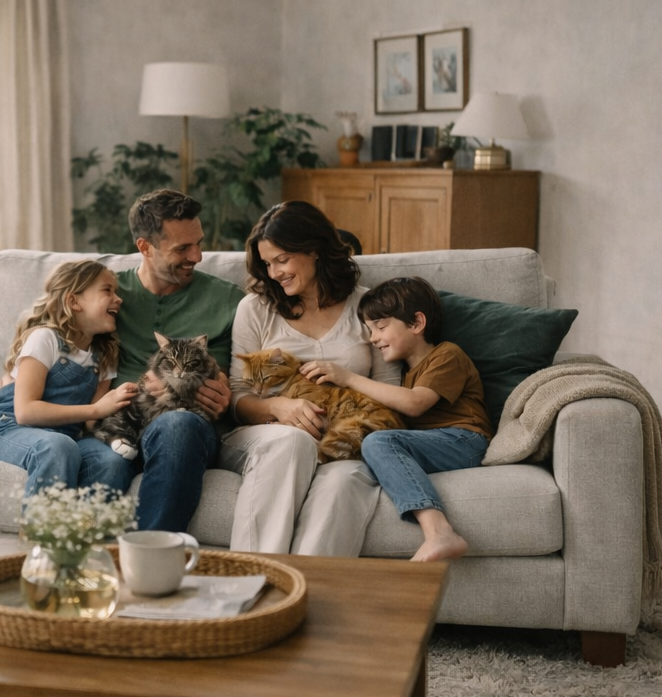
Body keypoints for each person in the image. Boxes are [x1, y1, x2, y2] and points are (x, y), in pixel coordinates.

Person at [224, 202, 403, 556]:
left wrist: (347, 378)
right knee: (292, 443)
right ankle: (255, 580)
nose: (274, 273)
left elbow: (391, 392)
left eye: (282, 260)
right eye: (267, 263)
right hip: (267, 435)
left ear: (315, 250)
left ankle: (306, 597)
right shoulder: (256, 308)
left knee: (342, 483)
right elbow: (236, 395)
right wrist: (277, 406)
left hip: (347, 436)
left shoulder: (365, 306)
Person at [302, 276, 491, 562]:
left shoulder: (447, 355)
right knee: (372, 443)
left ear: (416, 323)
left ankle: (440, 531)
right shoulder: (401, 375)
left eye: (380, 326)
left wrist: (348, 377)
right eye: (368, 329)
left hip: (464, 440)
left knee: (379, 442)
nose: (372, 338)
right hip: (430, 444)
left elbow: (415, 404)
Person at [111, 190, 242, 532]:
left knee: (178, 425)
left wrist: (228, 392)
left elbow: (243, 377)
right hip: (118, 422)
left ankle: (150, 562)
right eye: (182, 248)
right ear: (145, 247)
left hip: (187, 427)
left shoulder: (227, 299)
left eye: (198, 243)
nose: (197, 255)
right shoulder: (109, 292)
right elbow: (52, 333)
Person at [0, 260, 138, 496]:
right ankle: (45, 532)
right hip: (7, 427)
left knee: (113, 460)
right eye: (107, 290)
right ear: (74, 301)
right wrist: (97, 410)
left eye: (116, 292)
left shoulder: (105, 356)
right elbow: (25, 411)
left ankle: (87, 530)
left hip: (66, 436)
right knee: (58, 447)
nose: (118, 299)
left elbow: (92, 424)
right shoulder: (45, 339)